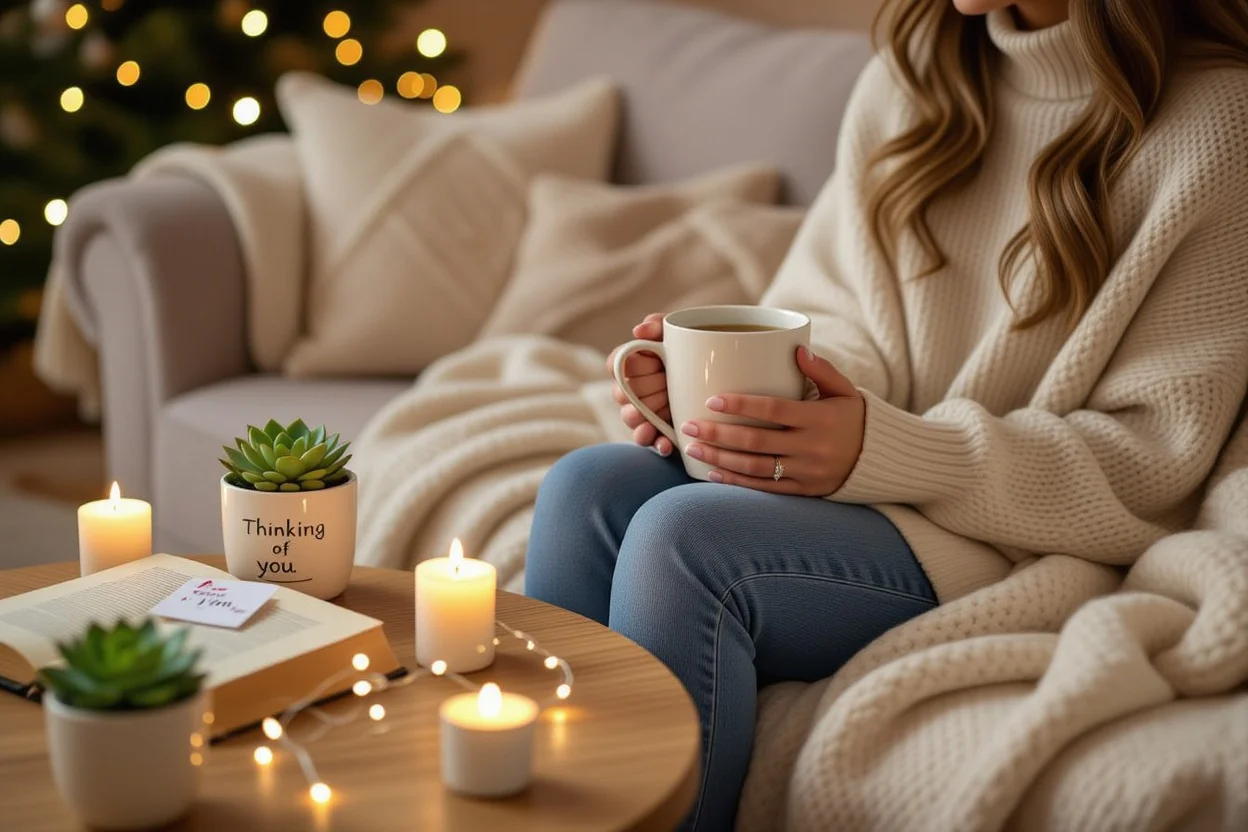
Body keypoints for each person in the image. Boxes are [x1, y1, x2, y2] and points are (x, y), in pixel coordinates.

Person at [525, 0, 1248, 828]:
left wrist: (892, 449)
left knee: (684, 541)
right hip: (863, 481)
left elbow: (1150, 460)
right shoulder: (910, 81)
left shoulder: (1221, 125)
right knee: (585, 487)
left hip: (1014, 533)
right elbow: (836, 315)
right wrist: (736, 409)